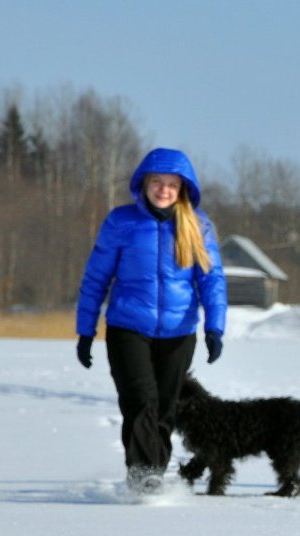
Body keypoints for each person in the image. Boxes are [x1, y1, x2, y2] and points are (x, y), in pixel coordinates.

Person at [75, 147, 227, 495]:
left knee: (165, 407)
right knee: (140, 401)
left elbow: (212, 280)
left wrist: (214, 328)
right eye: (157, 182)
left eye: (171, 184)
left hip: (179, 332)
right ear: (143, 184)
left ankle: (150, 474)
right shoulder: (121, 222)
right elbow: (96, 277)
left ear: (182, 188)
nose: (163, 190)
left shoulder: (198, 225)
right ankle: (145, 476)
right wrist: (85, 330)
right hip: (129, 326)